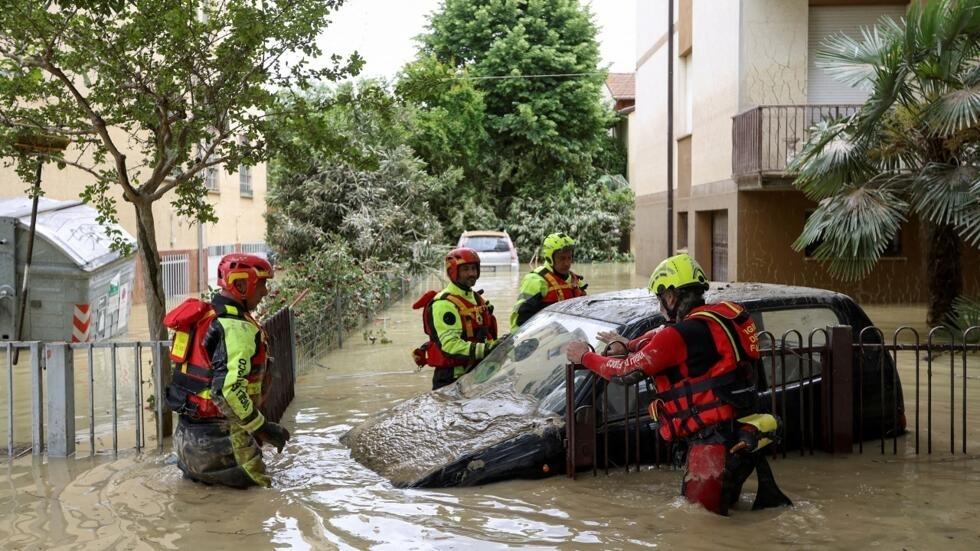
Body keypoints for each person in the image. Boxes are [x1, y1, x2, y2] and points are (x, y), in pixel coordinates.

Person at [565, 253, 792, 516]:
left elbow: (625, 372)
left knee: (700, 523)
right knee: (723, 515)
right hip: (741, 434)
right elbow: (660, 338)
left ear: (671, 297)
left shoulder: (680, 334)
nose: (660, 306)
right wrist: (628, 344)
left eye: (660, 298)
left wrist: (585, 356)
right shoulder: (717, 319)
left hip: (712, 446)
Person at [164, 253, 291, 488]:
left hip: (185, 443)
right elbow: (228, 391)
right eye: (262, 284)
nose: (265, 292)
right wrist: (262, 427)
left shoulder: (205, 318)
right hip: (222, 443)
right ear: (241, 284)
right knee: (264, 498)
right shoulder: (236, 328)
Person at [412, 247, 498, 390]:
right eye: (465, 269)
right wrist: (487, 349)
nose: (471, 273)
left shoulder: (476, 298)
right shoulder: (443, 304)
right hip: (451, 378)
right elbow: (450, 346)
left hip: (475, 374)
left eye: (474, 268)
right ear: (454, 272)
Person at [510, 232, 587, 332]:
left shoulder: (575, 281)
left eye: (569, 257)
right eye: (562, 258)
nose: (567, 263)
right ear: (549, 258)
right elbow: (519, 319)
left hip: (569, 334)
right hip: (544, 335)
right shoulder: (536, 280)